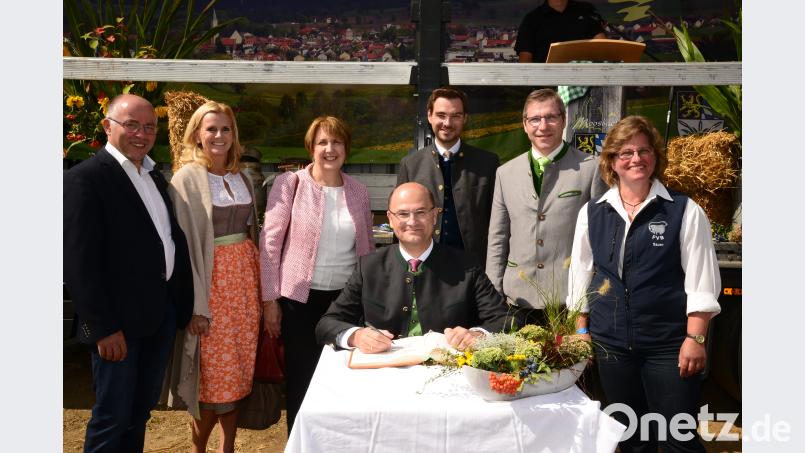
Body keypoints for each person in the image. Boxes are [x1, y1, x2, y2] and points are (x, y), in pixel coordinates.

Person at [567, 116, 721, 452]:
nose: (636, 158)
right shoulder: (593, 212)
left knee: (677, 435)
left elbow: (702, 281)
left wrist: (695, 338)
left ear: (655, 157)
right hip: (612, 345)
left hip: (668, 344)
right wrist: (581, 331)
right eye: (626, 152)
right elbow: (580, 275)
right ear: (611, 162)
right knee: (631, 436)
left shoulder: (683, 210)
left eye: (644, 151)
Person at [63, 94, 194, 453]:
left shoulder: (152, 175)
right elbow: (78, 262)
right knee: (112, 417)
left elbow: (166, 239)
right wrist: (102, 328)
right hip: (117, 326)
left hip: (158, 317)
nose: (142, 133)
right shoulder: (85, 179)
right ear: (108, 126)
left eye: (149, 126)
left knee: (139, 413)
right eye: (131, 124)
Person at [260, 116, 375, 433]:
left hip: (345, 303)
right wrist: (270, 300)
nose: (329, 149)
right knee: (302, 381)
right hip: (299, 301)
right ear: (311, 148)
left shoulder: (359, 192)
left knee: (342, 379)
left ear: (346, 149)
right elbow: (269, 242)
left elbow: (366, 249)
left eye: (336, 142)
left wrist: (370, 298)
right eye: (323, 142)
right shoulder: (290, 185)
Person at [164, 101, 261, 453]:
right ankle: (198, 448)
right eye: (211, 129)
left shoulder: (242, 176)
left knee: (236, 370)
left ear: (233, 135)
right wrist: (196, 305)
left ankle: (228, 447)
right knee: (211, 376)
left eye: (225, 129)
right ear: (197, 134)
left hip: (244, 285)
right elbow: (182, 247)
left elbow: (254, 233)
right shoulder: (186, 178)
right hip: (211, 284)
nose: (219, 136)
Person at [316, 182, 511, 354]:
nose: (412, 221)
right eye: (402, 214)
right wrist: (356, 336)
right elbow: (327, 324)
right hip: (383, 374)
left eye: (420, 212)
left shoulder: (466, 266)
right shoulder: (369, 266)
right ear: (390, 219)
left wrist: (478, 335)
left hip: (446, 373)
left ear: (434, 215)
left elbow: (505, 320)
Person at [486, 88, 607, 326]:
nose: (543, 126)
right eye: (535, 119)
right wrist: (493, 291)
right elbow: (498, 237)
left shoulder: (591, 168)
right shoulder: (505, 173)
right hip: (517, 299)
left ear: (563, 121)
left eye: (551, 117)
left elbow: (601, 235)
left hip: (569, 298)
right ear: (524, 125)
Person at [397, 87, 499, 265]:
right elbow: (400, 222)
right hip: (425, 267)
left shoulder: (487, 163)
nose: (448, 122)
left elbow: (498, 222)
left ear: (465, 118)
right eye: (441, 115)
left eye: (456, 116)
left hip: (472, 268)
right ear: (429, 116)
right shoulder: (410, 165)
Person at [514, 0, 606, 63]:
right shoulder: (532, 19)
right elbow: (525, 61)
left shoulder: (586, 10)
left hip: (586, 80)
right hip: (546, 84)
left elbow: (602, 44)